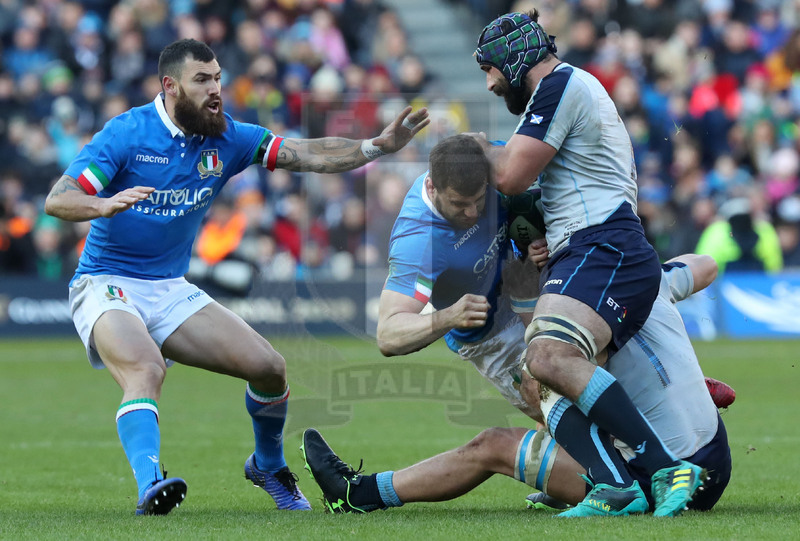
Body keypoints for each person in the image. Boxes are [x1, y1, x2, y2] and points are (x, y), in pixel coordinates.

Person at [43, 38, 429, 516]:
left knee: (269, 369)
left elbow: (305, 154)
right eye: (202, 80)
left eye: (218, 78)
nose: (215, 90)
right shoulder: (126, 134)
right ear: (170, 86)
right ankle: (150, 485)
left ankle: (267, 465)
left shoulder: (229, 138)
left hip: (168, 287)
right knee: (146, 369)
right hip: (105, 281)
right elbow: (58, 199)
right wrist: (101, 204)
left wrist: (375, 146)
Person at [303, 134, 730, 516]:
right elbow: (387, 334)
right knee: (558, 378)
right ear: (432, 188)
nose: (473, 213)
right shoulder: (419, 239)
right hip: (490, 333)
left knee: (521, 412)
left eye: (480, 201)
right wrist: (448, 315)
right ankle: (601, 455)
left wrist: (529, 266)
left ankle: (611, 484)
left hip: (535, 292)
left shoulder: (491, 167)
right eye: (459, 205)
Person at [471, 10, 705, 516]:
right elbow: (553, 186)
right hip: (593, 249)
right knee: (543, 381)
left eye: (490, 68)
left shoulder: (559, 84)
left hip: (604, 246)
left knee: (547, 358)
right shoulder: (565, 92)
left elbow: (510, 176)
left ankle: (666, 467)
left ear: (515, 61)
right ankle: (614, 484)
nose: (490, 83)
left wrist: (466, 149)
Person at [302, 251, 732, 516]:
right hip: (715, 460)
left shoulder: (576, 321)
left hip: (662, 479)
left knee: (504, 429)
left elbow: (544, 373)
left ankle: (358, 494)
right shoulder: (646, 278)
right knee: (565, 395)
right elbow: (706, 264)